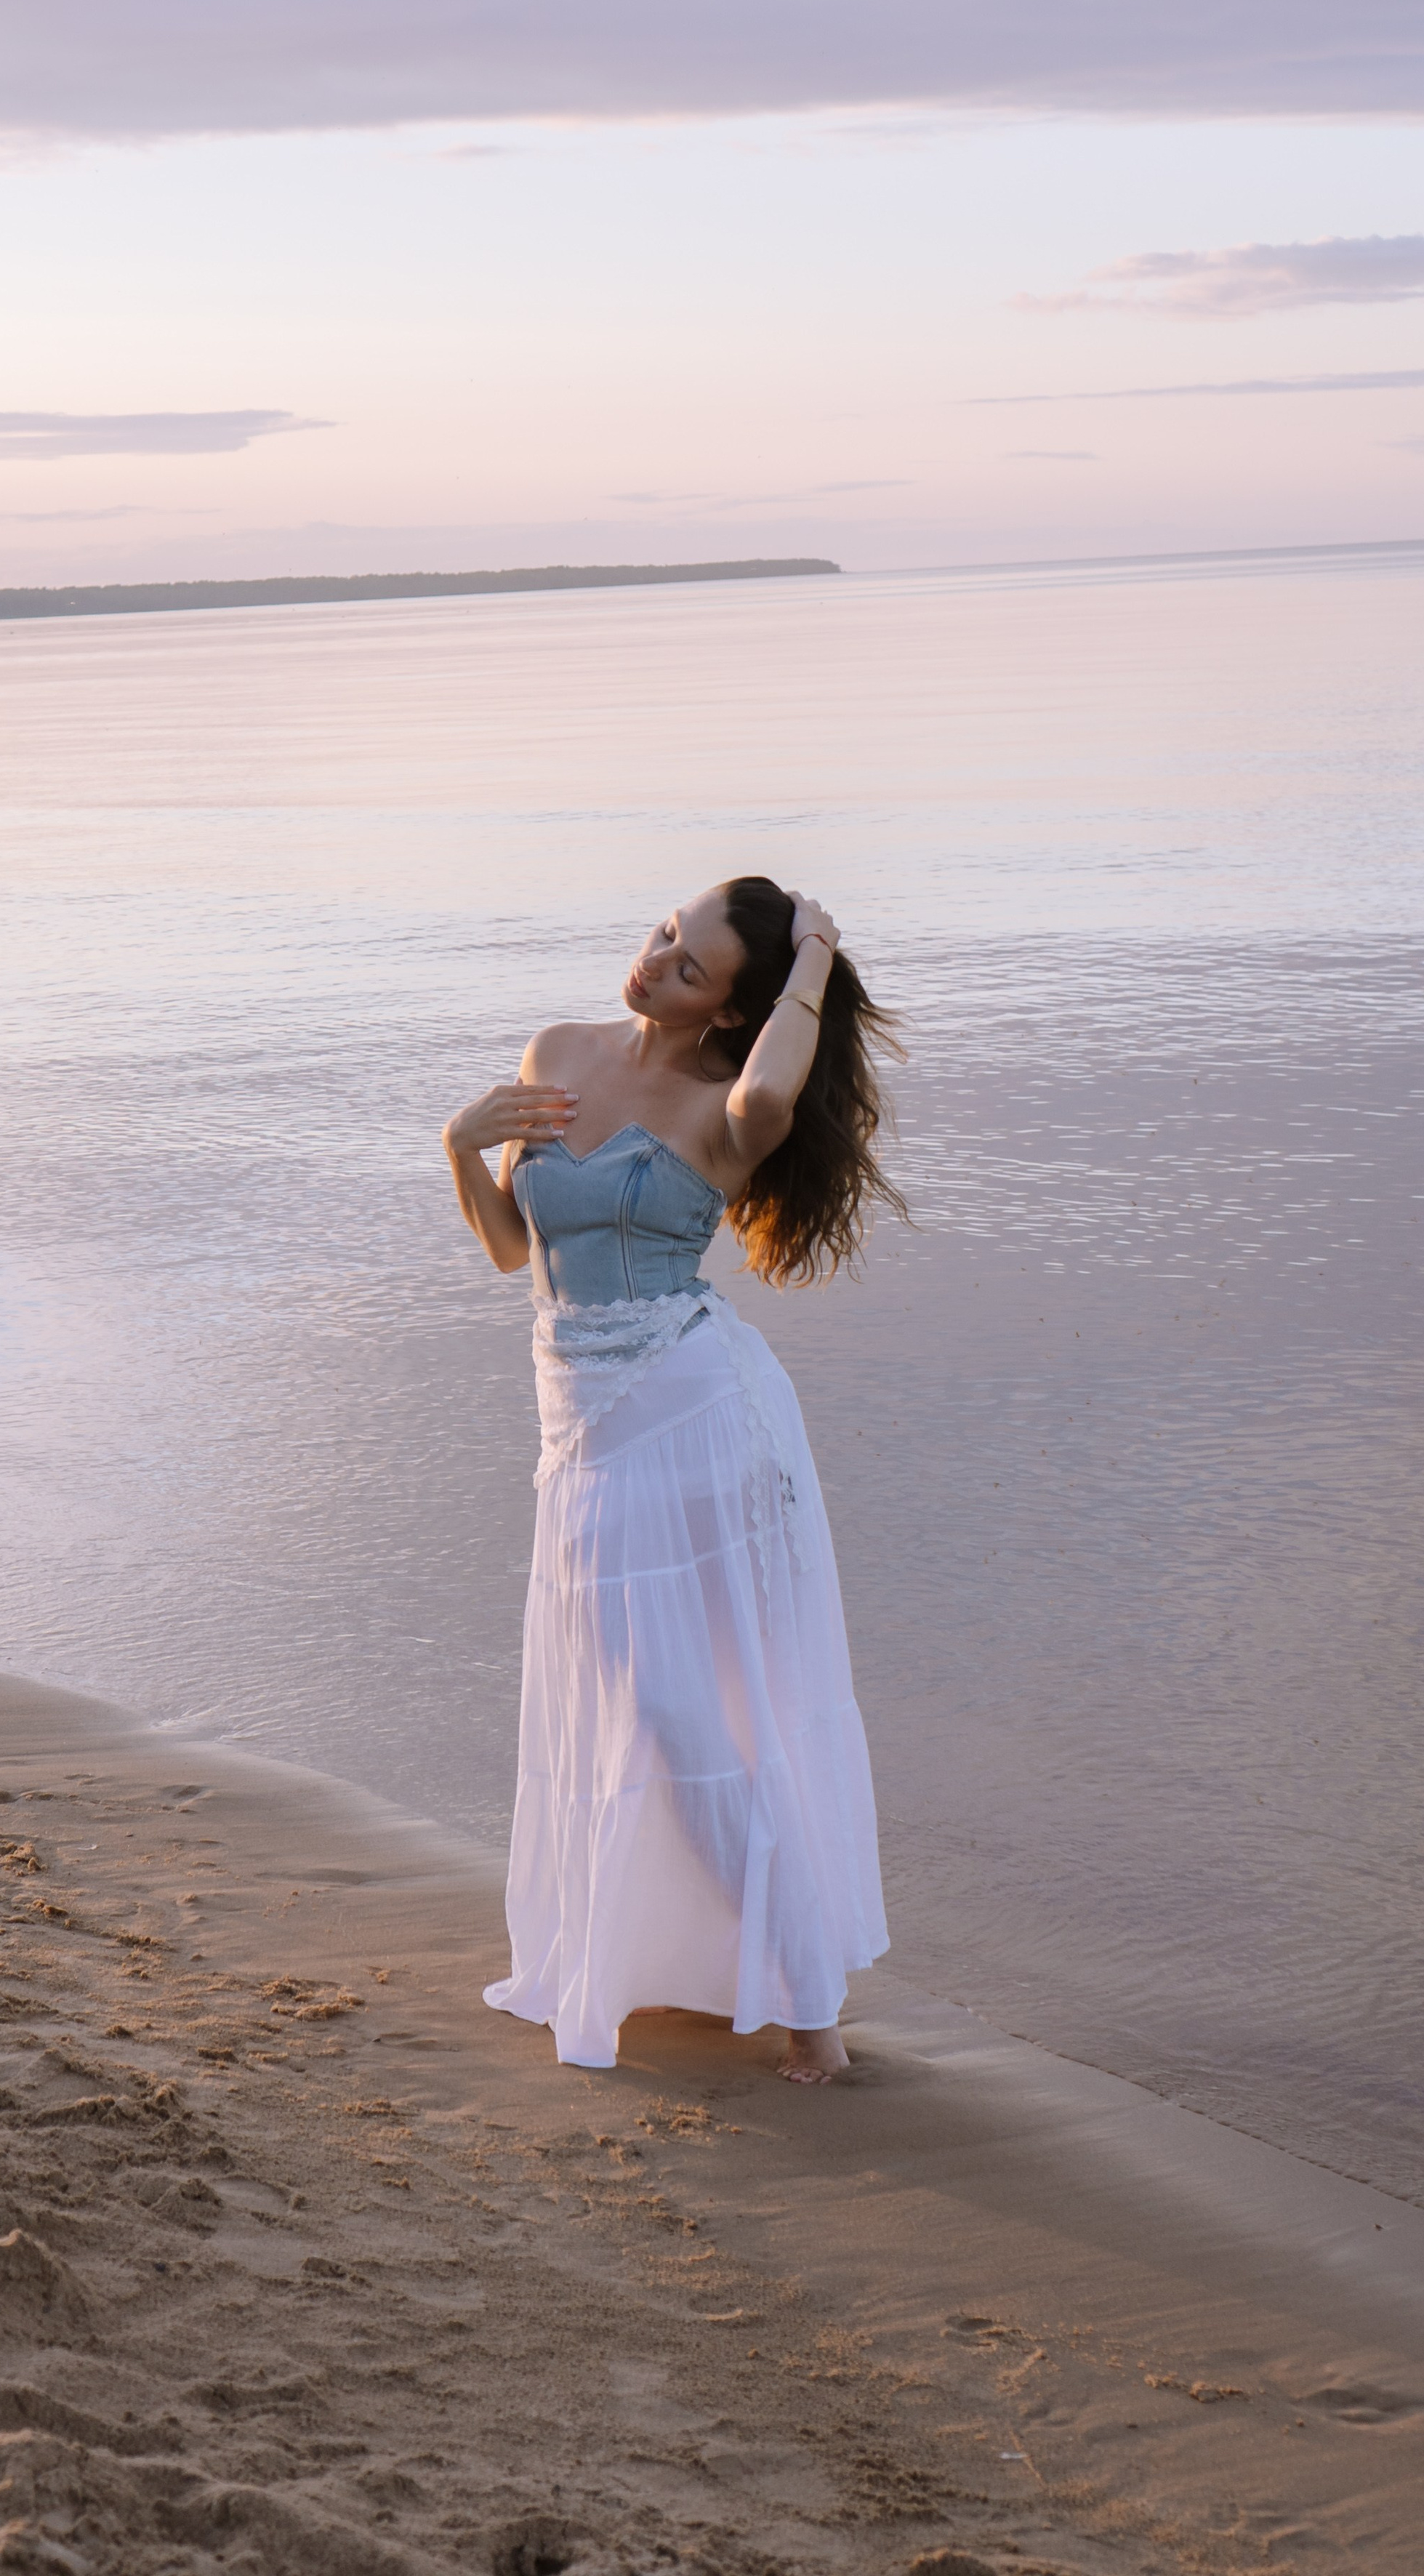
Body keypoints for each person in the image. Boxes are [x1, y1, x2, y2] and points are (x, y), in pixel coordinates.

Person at [443, 875, 901, 2082]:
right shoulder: (560, 1053)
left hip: (691, 1423)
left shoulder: (726, 1109)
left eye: (690, 968)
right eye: (663, 937)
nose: (655, 966)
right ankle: (734, 1973)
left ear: (731, 1013)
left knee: (685, 1712)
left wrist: (814, 959)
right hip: (578, 1422)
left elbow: (771, 1089)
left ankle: (811, 2011)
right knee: (654, 1708)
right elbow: (514, 1252)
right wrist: (460, 1143)